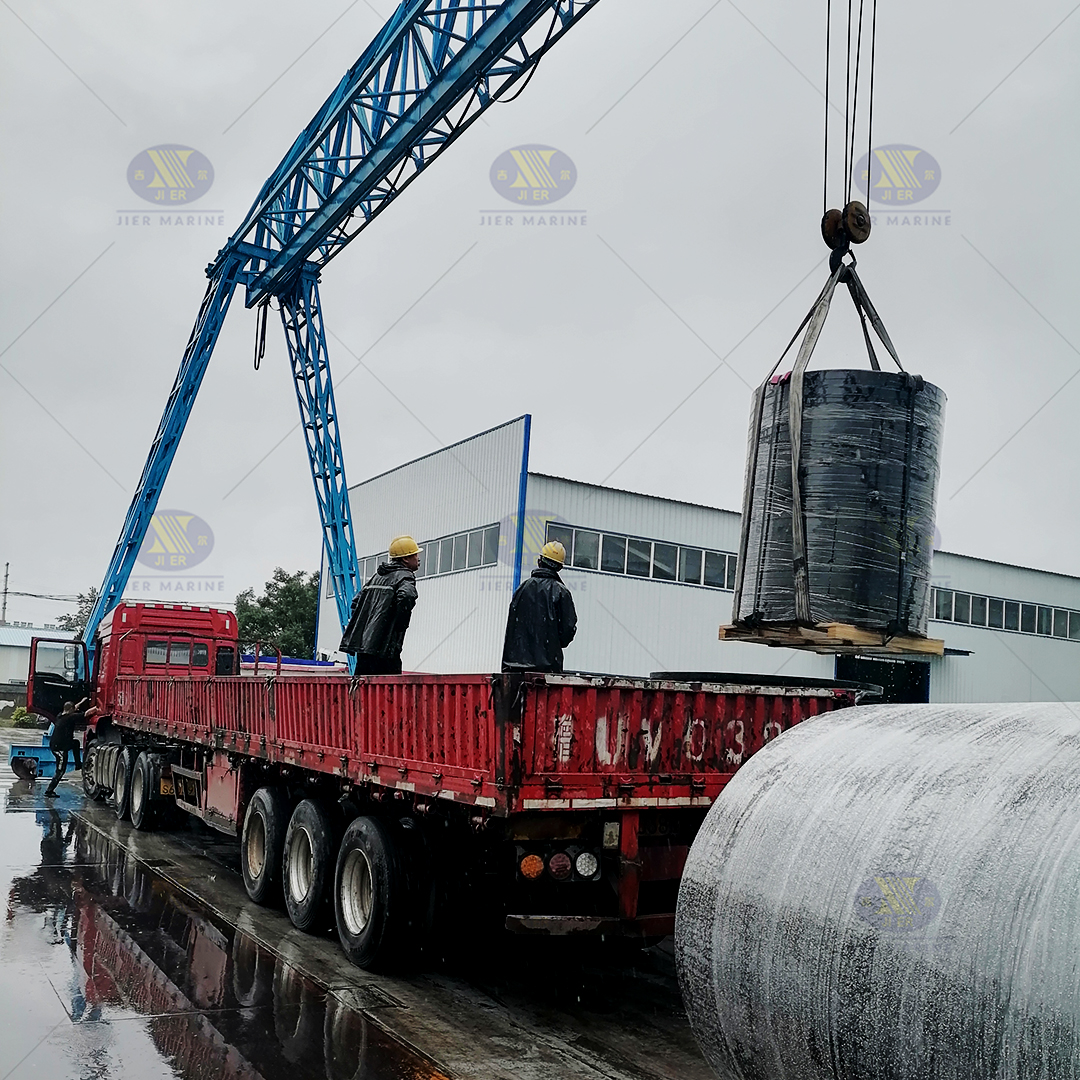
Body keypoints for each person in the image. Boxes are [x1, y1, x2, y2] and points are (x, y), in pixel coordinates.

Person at [340, 535, 422, 675]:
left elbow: (355, 602)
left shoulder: (376, 577)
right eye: (415, 555)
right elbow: (406, 596)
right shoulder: (405, 576)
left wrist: (364, 625)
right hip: (385, 649)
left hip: (364, 647)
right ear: (405, 559)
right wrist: (398, 624)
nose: (418, 559)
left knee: (364, 691)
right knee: (389, 691)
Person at [502, 540, 578, 673]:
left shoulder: (522, 589)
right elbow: (567, 632)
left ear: (539, 561)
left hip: (513, 671)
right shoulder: (562, 593)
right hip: (548, 672)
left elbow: (512, 626)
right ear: (560, 567)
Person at [44, 698, 98, 797]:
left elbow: (73, 707)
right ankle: (49, 791)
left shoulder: (60, 715)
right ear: (71, 710)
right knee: (60, 770)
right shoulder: (70, 718)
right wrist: (97, 708)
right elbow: (86, 713)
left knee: (75, 743)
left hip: (59, 744)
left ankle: (78, 764)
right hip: (59, 749)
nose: (76, 710)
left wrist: (81, 702)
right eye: (74, 709)